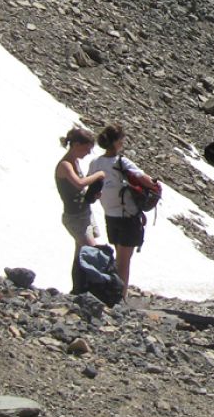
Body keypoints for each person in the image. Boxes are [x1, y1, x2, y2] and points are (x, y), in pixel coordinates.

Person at [90, 124, 154, 294]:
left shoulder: (96, 163)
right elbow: (144, 179)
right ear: (117, 142)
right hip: (128, 215)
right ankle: (119, 295)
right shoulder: (121, 161)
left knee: (119, 256)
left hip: (109, 214)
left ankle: (114, 290)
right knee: (124, 261)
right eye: (122, 139)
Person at [55, 127, 105, 293]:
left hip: (83, 213)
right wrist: (98, 175)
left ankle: (78, 290)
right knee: (91, 252)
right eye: (86, 149)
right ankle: (92, 290)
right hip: (74, 217)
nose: (88, 153)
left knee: (80, 255)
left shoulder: (75, 162)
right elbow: (79, 183)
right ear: (76, 145)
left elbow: (79, 189)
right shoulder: (65, 165)